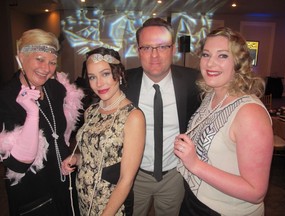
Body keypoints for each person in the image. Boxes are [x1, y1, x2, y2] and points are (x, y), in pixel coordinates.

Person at [174, 27, 274, 216]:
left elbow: (255, 192)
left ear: (238, 62)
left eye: (222, 56)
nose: (211, 63)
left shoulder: (250, 113)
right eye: (206, 54)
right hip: (194, 201)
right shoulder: (211, 95)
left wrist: (195, 164)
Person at [0, 29, 83, 215]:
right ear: (21, 57)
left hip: (64, 181)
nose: (46, 68)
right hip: (33, 191)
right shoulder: (5, 99)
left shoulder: (56, 89)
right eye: (39, 59)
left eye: (52, 62)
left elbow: (62, 134)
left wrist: (70, 156)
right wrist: (32, 113)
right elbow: (18, 164)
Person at [122, 17, 200, 216]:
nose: (154, 56)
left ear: (173, 49)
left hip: (174, 175)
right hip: (133, 174)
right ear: (138, 51)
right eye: (146, 48)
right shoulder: (123, 83)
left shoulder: (194, 81)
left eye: (162, 47)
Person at [61, 47, 146, 215]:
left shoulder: (133, 117)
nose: (99, 83)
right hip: (84, 197)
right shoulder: (91, 111)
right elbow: (93, 153)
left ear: (119, 74)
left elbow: (126, 179)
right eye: (92, 77)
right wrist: (76, 158)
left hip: (111, 205)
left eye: (105, 74)